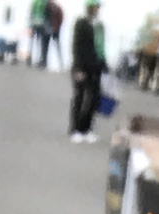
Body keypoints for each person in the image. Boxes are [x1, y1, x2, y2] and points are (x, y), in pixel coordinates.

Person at [65, 0, 101, 139]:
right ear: (90, 8)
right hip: (81, 65)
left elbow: (98, 48)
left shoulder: (96, 25)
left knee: (93, 98)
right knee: (79, 97)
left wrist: (102, 64)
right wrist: (78, 68)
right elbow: (76, 46)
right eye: (96, 7)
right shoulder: (81, 23)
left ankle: (86, 128)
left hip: (94, 67)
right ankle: (74, 129)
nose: (98, 10)